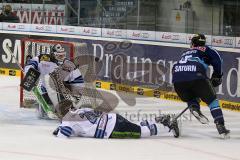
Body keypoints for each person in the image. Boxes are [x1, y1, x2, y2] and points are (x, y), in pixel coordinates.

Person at [172, 34, 230, 137]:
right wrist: (217, 76)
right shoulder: (207, 49)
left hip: (177, 78)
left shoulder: (185, 52)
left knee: (190, 96)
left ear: (193, 43)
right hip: (196, 76)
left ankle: (194, 107)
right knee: (212, 101)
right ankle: (220, 125)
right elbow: (218, 61)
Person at [52, 103, 180, 139]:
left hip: (112, 129)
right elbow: (78, 126)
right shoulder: (80, 109)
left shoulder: (67, 121)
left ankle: (168, 127)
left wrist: (58, 131)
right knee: (134, 125)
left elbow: (64, 135)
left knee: (140, 132)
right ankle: (157, 120)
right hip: (113, 118)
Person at [24, 44, 84, 119]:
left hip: (63, 92)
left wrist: (77, 96)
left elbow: (78, 81)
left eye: (63, 55)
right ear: (53, 54)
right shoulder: (43, 59)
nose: (61, 58)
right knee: (42, 115)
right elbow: (32, 63)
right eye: (59, 55)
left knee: (71, 107)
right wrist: (29, 71)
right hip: (46, 92)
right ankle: (44, 106)